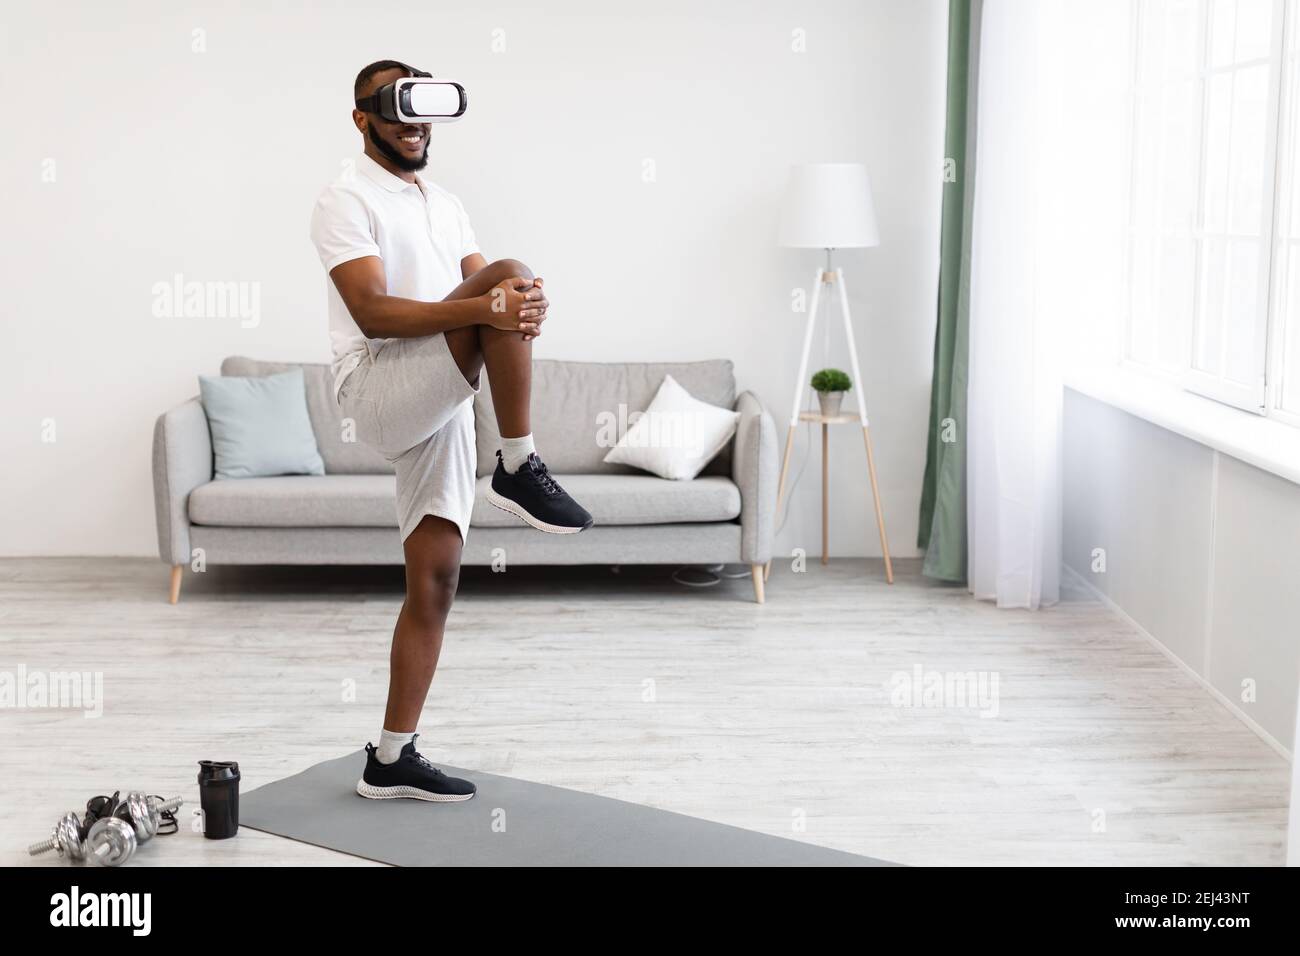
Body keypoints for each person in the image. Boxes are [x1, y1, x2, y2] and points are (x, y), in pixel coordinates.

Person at [310, 59, 593, 802]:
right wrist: (492, 304)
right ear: (362, 118)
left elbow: (488, 293)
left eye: (422, 111)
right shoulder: (344, 198)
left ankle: (390, 758)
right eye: (395, 110)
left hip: (438, 388)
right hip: (378, 385)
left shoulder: (445, 202)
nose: (412, 124)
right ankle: (520, 463)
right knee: (509, 270)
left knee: (436, 581)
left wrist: (521, 307)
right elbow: (373, 311)